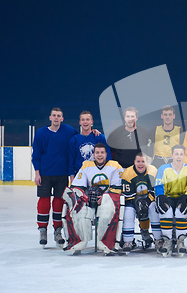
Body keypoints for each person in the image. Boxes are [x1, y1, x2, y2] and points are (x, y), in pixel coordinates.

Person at [62, 143, 124, 255]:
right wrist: (83, 198)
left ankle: (106, 243)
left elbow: (117, 187)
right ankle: (79, 241)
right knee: (78, 208)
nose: (99, 155)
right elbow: (77, 186)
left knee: (106, 210)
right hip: (89, 200)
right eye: (97, 153)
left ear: (106, 154)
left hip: (107, 199)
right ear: (93, 154)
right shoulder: (86, 165)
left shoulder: (115, 166)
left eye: (102, 153)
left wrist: (105, 197)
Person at [32, 107, 77, 248]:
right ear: (50, 117)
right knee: (44, 202)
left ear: (62, 119)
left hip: (62, 174)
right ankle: (43, 230)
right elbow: (36, 155)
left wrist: (95, 133)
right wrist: (37, 173)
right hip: (45, 174)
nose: (56, 118)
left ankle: (58, 231)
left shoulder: (68, 130)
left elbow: (81, 137)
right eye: (54, 115)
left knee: (58, 202)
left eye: (59, 116)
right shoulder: (41, 133)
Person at [154, 145, 187, 257]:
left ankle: (180, 241)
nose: (179, 156)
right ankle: (167, 241)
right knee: (166, 212)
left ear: (184, 156)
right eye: (176, 154)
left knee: (181, 211)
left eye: (181, 154)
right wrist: (160, 195)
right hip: (168, 197)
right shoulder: (163, 168)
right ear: (172, 155)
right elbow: (159, 184)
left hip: (182, 197)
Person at [121, 152, 160, 253]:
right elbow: (127, 195)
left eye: (143, 161)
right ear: (134, 162)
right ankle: (128, 241)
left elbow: (156, 191)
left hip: (149, 199)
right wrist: (138, 201)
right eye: (138, 161)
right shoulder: (127, 173)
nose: (140, 164)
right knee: (128, 212)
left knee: (154, 208)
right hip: (132, 200)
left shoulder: (153, 171)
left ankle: (158, 239)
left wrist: (146, 201)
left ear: (148, 162)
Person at [69, 110, 111, 181]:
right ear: (80, 122)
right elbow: (71, 160)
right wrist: (72, 178)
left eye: (87, 119)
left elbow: (108, 157)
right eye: (83, 120)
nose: (85, 122)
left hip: (98, 175)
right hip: (80, 176)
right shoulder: (74, 139)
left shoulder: (100, 137)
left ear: (92, 122)